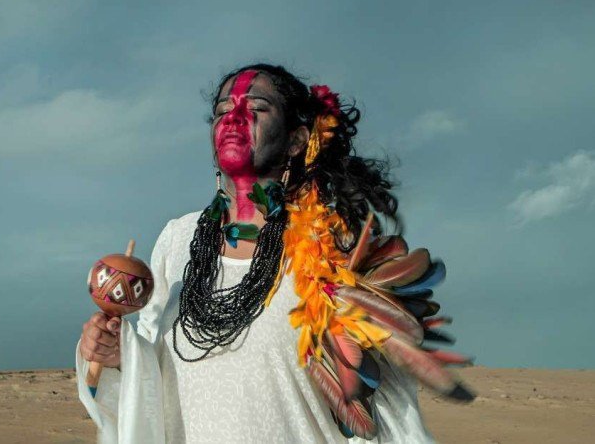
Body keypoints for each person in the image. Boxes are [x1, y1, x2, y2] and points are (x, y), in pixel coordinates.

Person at [76, 63, 462, 443]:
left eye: (256, 108)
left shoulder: (334, 250)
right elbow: (154, 380)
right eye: (223, 111)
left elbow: (382, 409)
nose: (233, 119)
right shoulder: (178, 239)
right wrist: (119, 357)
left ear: (296, 140)